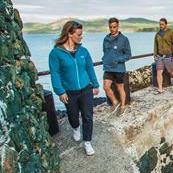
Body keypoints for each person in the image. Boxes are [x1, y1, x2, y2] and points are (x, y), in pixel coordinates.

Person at [48, 21, 100, 156]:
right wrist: (60, 91)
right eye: (79, 34)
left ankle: (87, 142)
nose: (81, 37)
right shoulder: (56, 53)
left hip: (86, 89)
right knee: (73, 116)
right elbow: (55, 73)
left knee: (88, 116)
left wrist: (95, 84)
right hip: (69, 92)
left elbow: (89, 68)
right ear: (70, 34)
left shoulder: (83, 51)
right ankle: (75, 127)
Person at [102, 17, 131, 117]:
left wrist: (117, 60)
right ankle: (115, 102)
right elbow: (105, 52)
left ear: (118, 26)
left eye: (114, 27)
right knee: (105, 87)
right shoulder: (106, 39)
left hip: (119, 69)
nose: (112, 29)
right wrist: (105, 59)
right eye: (110, 27)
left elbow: (128, 55)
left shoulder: (124, 39)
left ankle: (122, 106)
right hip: (108, 68)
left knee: (120, 88)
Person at [153, 18, 173, 93]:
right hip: (159, 56)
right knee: (159, 72)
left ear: (166, 24)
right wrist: (155, 54)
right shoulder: (157, 33)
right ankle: (160, 88)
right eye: (160, 24)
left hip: (168, 56)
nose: (160, 26)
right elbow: (155, 45)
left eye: (162, 24)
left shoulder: (171, 33)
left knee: (171, 71)